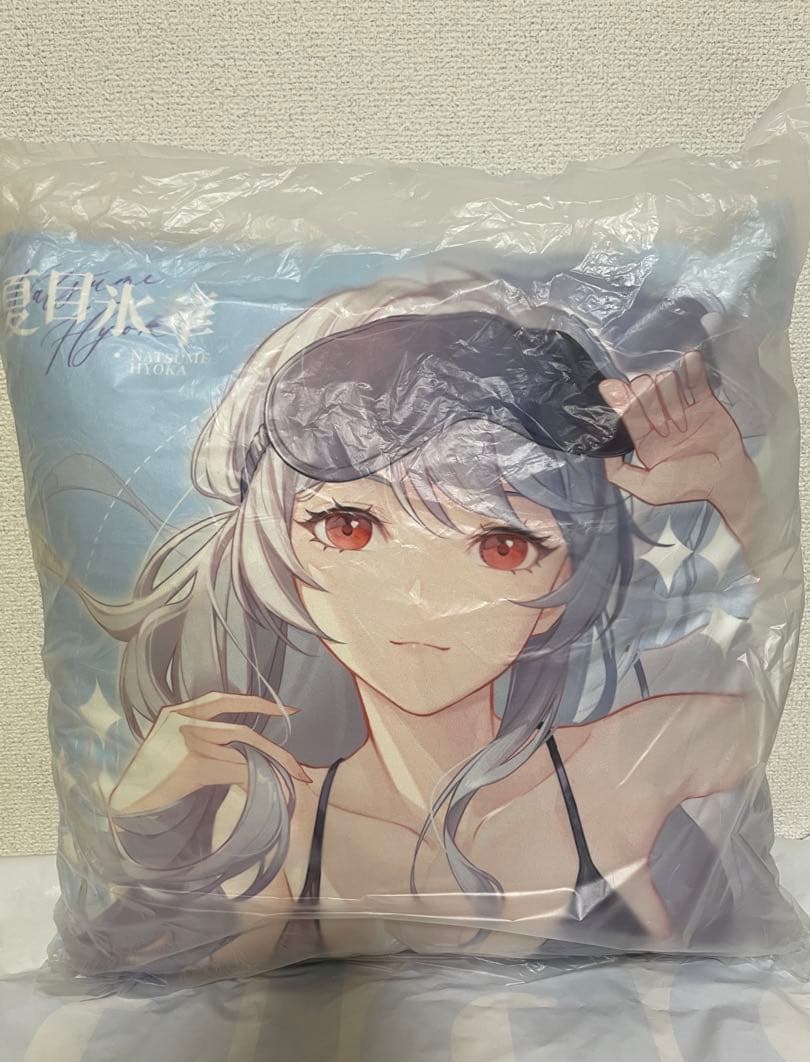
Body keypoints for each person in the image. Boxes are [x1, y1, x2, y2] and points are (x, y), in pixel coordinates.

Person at [62, 273, 768, 974]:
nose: (420, 596)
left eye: (501, 546)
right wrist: (139, 812)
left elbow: (776, 665)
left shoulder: (630, 760)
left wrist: (735, 492)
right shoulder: (288, 818)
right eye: (349, 528)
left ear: (565, 582)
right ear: (279, 550)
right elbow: (178, 987)